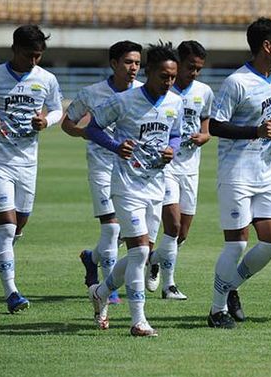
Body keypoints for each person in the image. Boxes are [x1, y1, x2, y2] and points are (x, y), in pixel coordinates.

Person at [0, 25, 63, 313]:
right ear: (15, 50)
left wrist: (47, 121)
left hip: (28, 163)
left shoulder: (46, 79)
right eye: (30, 55)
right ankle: (12, 293)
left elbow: (57, 109)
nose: (34, 61)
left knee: (15, 231)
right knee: (5, 228)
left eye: (39, 56)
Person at [85, 41, 183, 338]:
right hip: (126, 186)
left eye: (172, 78)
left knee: (142, 252)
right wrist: (116, 146)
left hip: (156, 186)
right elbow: (92, 127)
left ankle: (101, 292)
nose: (168, 83)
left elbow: (176, 134)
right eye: (163, 76)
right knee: (140, 251)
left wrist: (171, 150)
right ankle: (138, 321)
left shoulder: (174, 103)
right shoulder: (125, 101)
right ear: (149, 71)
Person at [206, 17, 271, 329]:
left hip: (268, 172)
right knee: (237, 244)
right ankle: (217, 310)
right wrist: (255, 131)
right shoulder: (236, 82)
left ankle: (231, 286)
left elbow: (268, 119)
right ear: (266, 46)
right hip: (236, 173)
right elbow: (215, 125)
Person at [61, 41, 143, 305]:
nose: (134, 68)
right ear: (114, 64)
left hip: (134, 172)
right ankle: (110, 288)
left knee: (125, 232)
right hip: (102, 167)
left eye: (138, 63)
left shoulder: (144, 92)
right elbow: (68, 123)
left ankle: (92, 258)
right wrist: (89, 133)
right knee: (111, 229)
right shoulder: (92, 93)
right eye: (129, 62)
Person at [146, 41, 214, 300]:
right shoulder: (163, 89)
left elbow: (207, 127)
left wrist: (204, 137)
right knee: (172, 226)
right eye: (190, 67)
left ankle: (154, 259)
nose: (194, 73)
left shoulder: (204, 92)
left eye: (198, 69)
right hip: (166, 168)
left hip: (191, 168)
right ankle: (169, 285)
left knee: (182, 233)